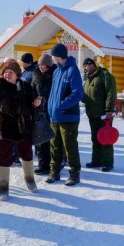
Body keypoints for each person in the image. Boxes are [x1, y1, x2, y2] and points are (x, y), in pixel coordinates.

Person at [0, 61, 42, 200]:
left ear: (17, 74)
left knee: (27, 154)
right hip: (6, 127)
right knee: (5, 156)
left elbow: (32, 101)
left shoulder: (25, 86)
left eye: (10, 72)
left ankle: (30, 179)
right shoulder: (0, 85)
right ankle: (3, 188)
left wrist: (36, 103)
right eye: (5, 72)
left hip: (24, 126)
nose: (7, 74)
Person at [46, 44, 83, 186]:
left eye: (53, 55)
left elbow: (78, 93)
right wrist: (51, 107)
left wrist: (61, 106)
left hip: (68, 117)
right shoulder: (57, 71)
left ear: (59, 55)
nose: (52, 58)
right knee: (54, 146)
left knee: (70, 147)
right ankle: (54, 172)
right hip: (55, 117)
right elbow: (54, 93)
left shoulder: (73, 70)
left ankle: (74, 174)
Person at [82, 58, 117, 172]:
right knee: (95, 138)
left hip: (104, 114)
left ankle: (108, 163)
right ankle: (96, 160)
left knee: (105, 138)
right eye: (83, 67)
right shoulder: (88, 79)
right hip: (92, 113)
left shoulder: (105, 76)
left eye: (86, 66)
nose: (85, 69)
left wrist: (109, 110)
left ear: (92, 65)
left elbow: (111, 93)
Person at [31, 53, 58, 175]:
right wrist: (34, 100)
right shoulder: (36, 75)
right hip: (39, 110)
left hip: (51, 110)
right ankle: (43, 164)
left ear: (49, 65)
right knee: (40, 138)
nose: (41, 67)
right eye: (39, 65)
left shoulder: (55, 75)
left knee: (52, 139)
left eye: (43, 65)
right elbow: (32, 90)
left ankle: (55, 163)